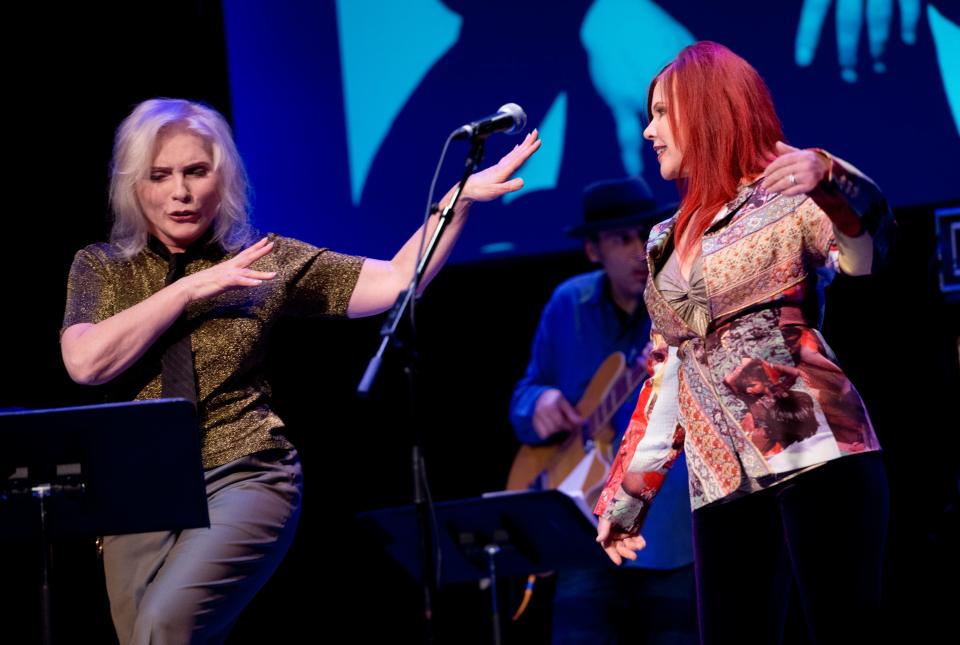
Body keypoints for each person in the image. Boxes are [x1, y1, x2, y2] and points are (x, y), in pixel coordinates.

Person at [59, 98, 539, 644]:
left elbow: (398, 280)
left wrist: (455, 202)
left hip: (244, 471)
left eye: (196, 171)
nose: (181, 192)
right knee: (144, 637)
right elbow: (86, 362)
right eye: (160, 176)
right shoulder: (100, 266)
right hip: (141, 488)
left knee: (165, 626)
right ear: (132, 185)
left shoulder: (264, 258)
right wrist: (189, 289)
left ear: (224, 176)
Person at [593, 42, 894, 644]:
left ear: (705, 110)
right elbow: (668, 375)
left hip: (810, 447)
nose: (649, 130)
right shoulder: (660, 241)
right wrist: (624, 503)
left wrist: (828, 178)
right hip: (720, 475)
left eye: (661, 113)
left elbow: (865, 257)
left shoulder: (788, 195)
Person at [510, 177, 696, 644]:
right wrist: (540, 404)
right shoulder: (567, 304)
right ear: (593, 250)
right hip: (586, 529)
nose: (640, 250)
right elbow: (525, 394)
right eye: (621, 239)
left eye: (646, 233)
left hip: (669, 528)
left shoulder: (685, 299)